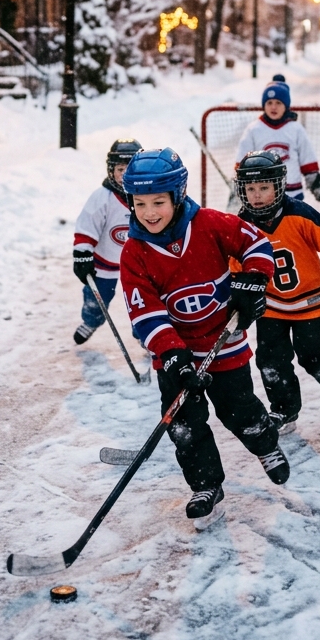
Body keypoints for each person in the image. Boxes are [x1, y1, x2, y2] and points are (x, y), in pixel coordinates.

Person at [120, 147, 289, 521]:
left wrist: (253, 282)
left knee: (240, 411)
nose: (149, 213)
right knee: (184, 427)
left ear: (177, 196)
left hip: (223, 344)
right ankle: (205, 485)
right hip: (175, 357)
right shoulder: (134, 252)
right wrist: (173, 354)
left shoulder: (211, 224)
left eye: (158, 202)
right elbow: (144, 311)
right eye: (140, 203)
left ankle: (265, 444)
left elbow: (257, 244)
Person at [235, 149, 320, 433]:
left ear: (279, 186)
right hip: (271, 306)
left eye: (264, 187)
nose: (257, 195)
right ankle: (285, 411)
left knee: (315, 355)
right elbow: (234, 264)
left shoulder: (300, 214)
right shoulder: (241, 225)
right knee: (271, 362)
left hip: (310, 303)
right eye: (251, 189)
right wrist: (236, 297)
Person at [72, 139, 144, 345]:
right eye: (120, 169)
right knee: (96, 298)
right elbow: (86, 227)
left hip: (139, 264)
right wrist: (82, 254)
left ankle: (145, 335)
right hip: (105, 263)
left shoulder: (146, 196)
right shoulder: (102, 197)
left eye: (130, 169)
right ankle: (91, 320)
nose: (124, 175)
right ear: (111, 170)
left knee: (143, 301)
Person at [234, 75, 320, 202]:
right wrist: (240, 186)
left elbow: (307, 159)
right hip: (262, 196)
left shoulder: (296, 129)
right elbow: (242, 162)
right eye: (269, 103)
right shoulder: (253, 130)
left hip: (293, 194)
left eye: (278, 103)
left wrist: (316, 183)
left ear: (286, 106)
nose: (273, 107)